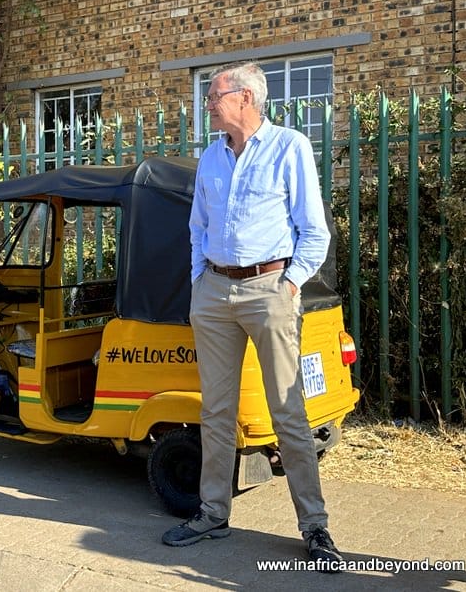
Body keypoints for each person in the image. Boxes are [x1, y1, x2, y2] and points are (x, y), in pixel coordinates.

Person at [161, 62, 342, 569]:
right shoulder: (211, 159)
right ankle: (213, 513)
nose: (207, 105)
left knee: (288, 413)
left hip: (270, 288)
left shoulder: (290, 147)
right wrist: (200, 280)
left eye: (214, 95)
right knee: (215, 411)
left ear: (245, 98)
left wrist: (288, 284)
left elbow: (314, 230)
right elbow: (197, 225)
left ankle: (315, 527)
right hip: (215, 292)